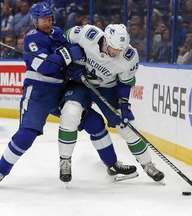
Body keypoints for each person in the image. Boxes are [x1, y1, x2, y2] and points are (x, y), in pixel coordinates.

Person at [0, 2, 86, 188]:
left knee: (92, 120)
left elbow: (74, 57)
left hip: (61, 92)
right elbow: (45, 66)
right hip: (38, 94)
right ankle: (0, 171)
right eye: (43, 19)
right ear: (34, 20)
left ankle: (111, 164)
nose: (47, 22)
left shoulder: (57, 33)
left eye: (49, 18)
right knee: (26, 135)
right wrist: (66, 55)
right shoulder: (32, 38)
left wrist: (72, 65)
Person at [58, 23, 165, 183]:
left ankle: (148, 164)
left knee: (127, 125)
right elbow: (64, 37)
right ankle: (65, 161)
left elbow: (125, 82)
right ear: (106, 41)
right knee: (70, 113)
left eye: (120, 50)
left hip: (106, 88)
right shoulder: (88, 34)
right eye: (114, 49)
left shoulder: (129, 56)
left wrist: (123, 103)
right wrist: (72, 60)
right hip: (80, 82)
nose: (116, 53)